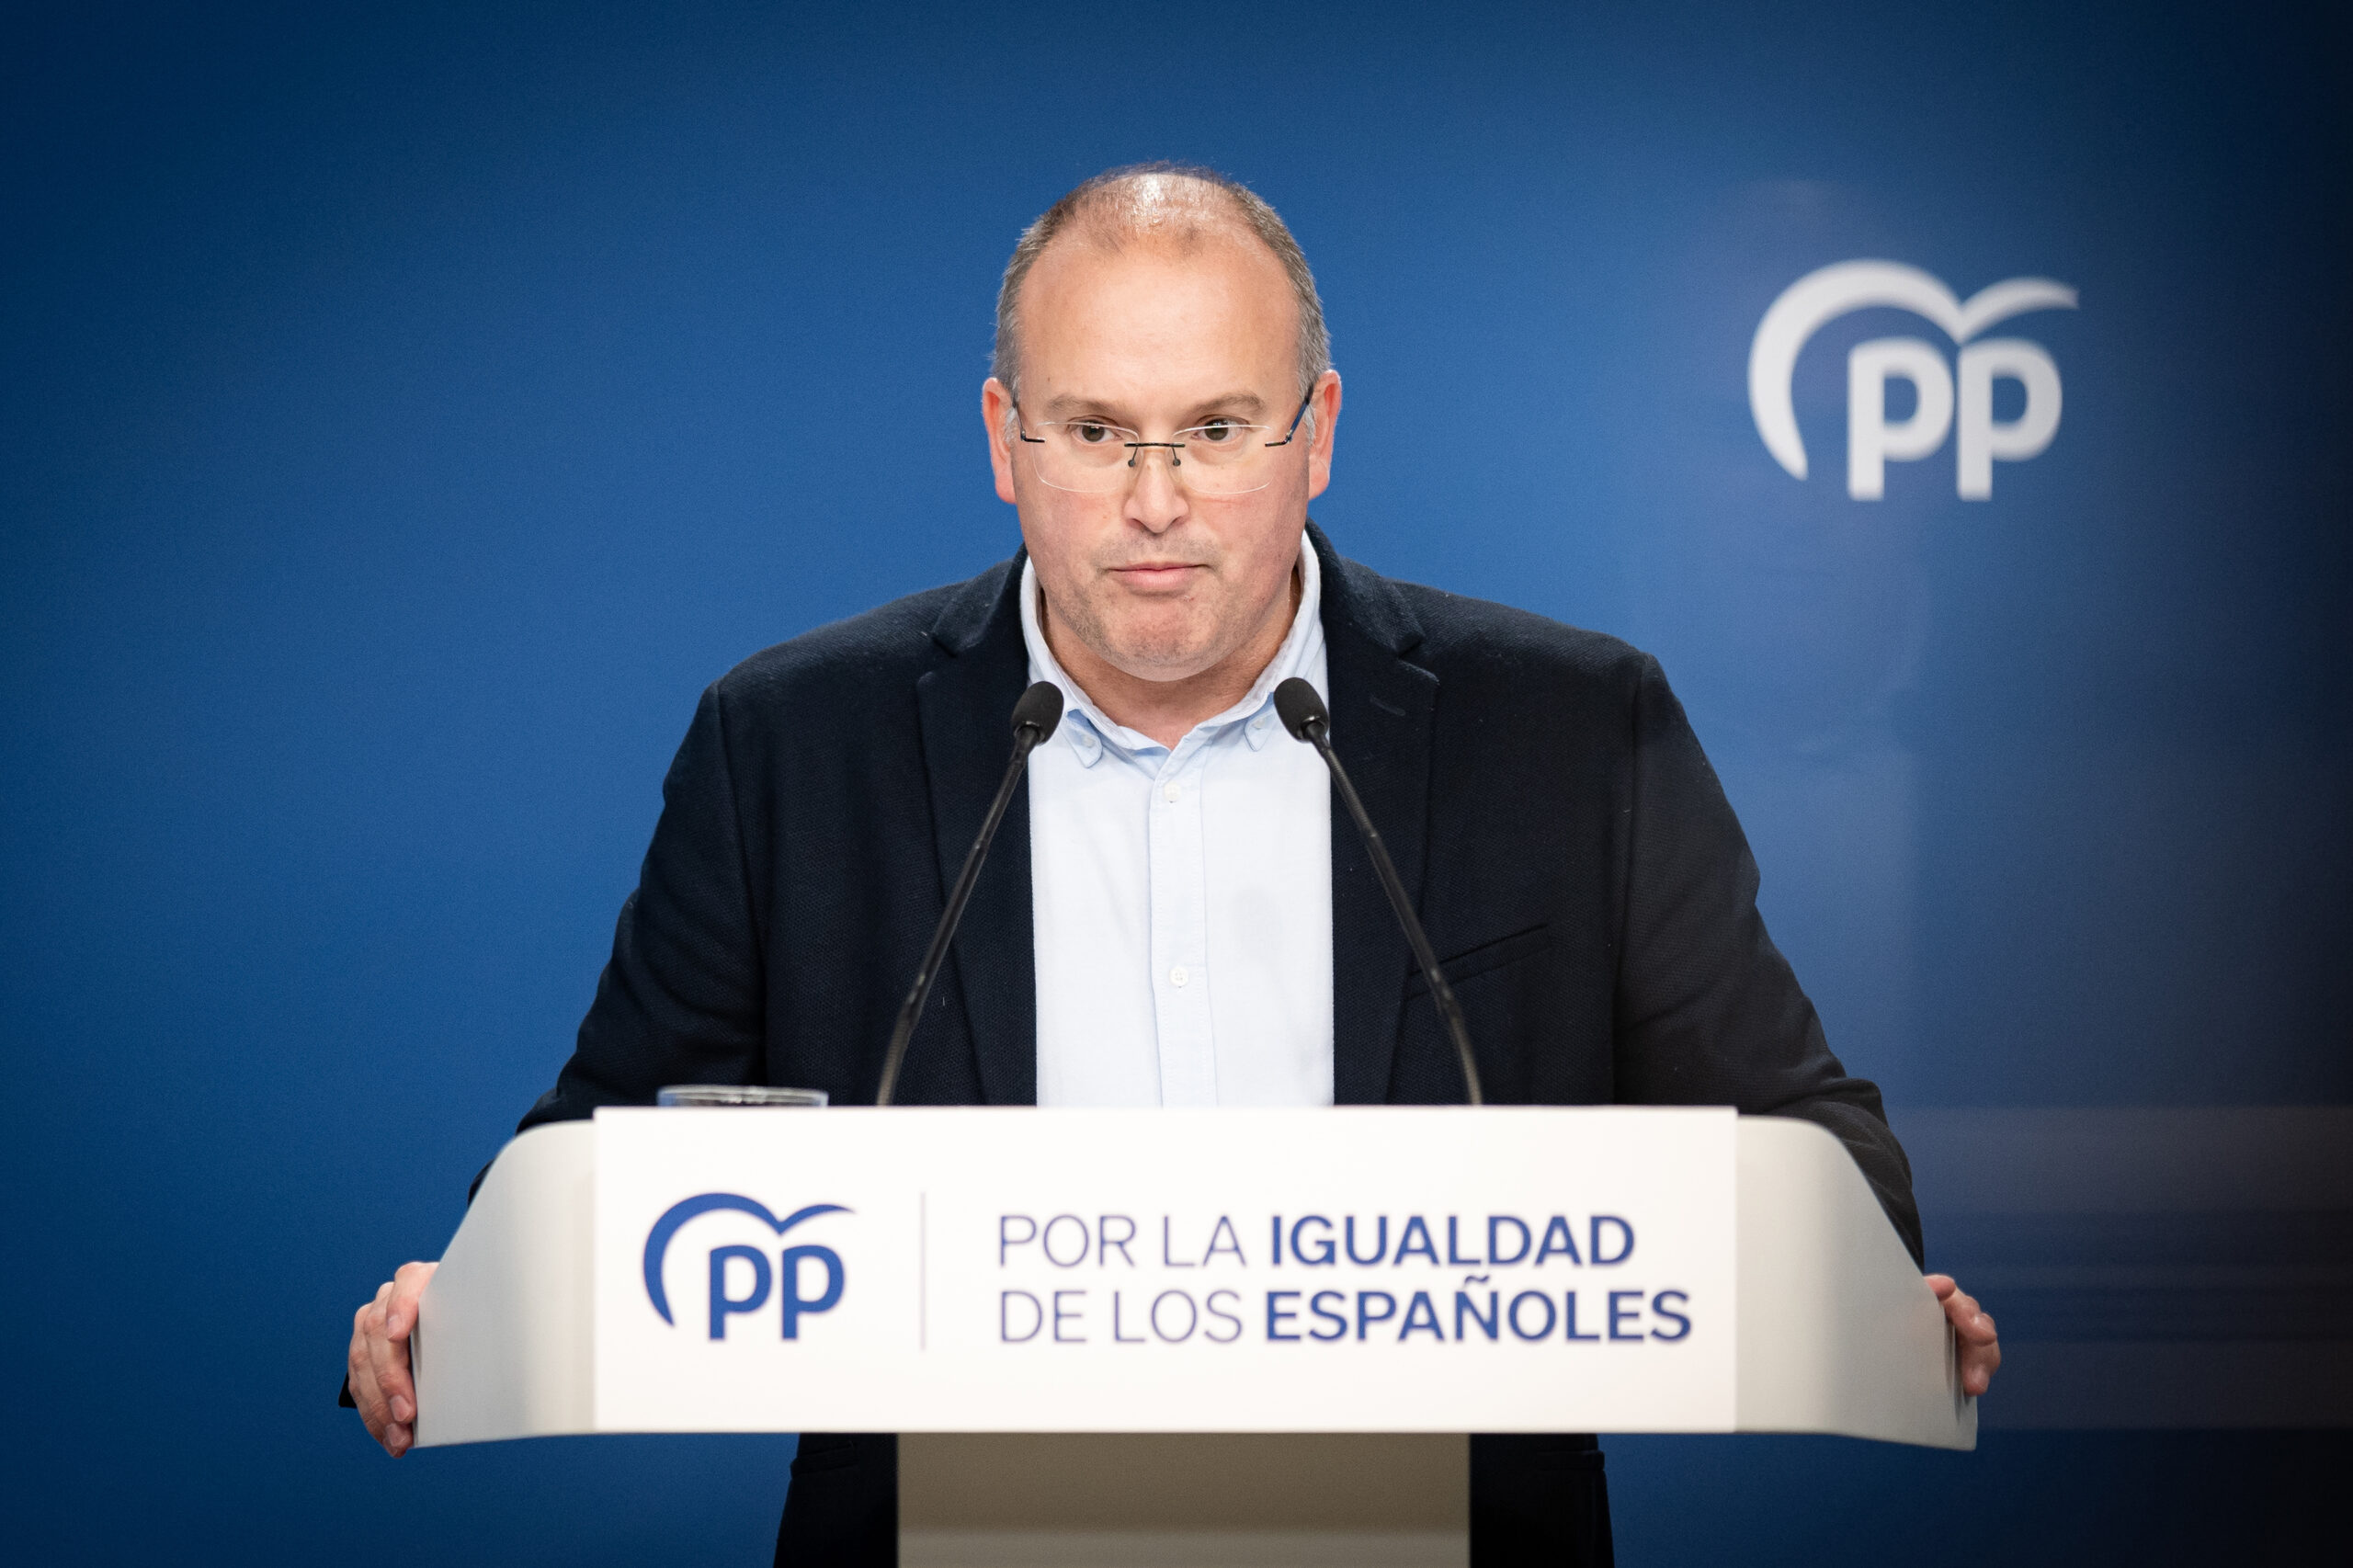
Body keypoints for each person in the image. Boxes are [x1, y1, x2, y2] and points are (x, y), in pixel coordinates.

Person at [346, 164, 2001, 1564]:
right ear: (1005, 439)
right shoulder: (791, 745)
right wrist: (468, 1297)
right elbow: (610, 1153)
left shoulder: (1571, 733)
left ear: (1316, 432)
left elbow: (1821, 1154)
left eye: (1215, 427)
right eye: (1096, 430)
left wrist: (1860, 1288)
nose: (1157, 501)